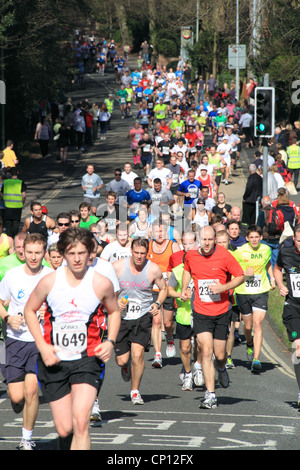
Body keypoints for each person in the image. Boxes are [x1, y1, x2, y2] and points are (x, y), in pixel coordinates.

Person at [24, 228, 121, 450]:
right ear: (62, 254)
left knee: (80, 422)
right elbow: (30, 310)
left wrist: (110, 341)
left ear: (90, 253)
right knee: (65, 428)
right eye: (71, 253)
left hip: (87, 359)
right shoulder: (49, 281)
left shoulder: (101, 283)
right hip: (54, 361)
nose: (76, 258)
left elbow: (114, 312)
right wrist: (42, 346)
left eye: (81, 252)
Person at [181, 226, 245, 409]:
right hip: (201, 311)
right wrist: (185, 288)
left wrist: (223, 288)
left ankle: (222, 368)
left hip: (222, 311)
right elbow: (187, 270)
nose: (207, 243)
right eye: (204, 239)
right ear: (199, 239)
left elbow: (240, 276)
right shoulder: (191, 255)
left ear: (215, 239)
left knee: (220, 354)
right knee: (206, 351)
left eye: (210, 239)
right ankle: (210, 395)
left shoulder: (224, 255)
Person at [0, 233, 53, 450]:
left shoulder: (52, 276)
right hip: (14, 340)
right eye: (29, 252)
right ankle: (17, 402)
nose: (32, 257)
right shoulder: (12, 276)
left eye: (37, 253)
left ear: (44, 253)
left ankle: (26, 439)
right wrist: (7, 317)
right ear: (23, 251)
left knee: (32, 390)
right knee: (16, 396)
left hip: (38, 341)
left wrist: (47, 309)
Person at [113, 237, 167, 404]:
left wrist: (158, 303)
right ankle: (125, 365)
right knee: (122, 359)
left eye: (142, 253)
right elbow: (107, 289)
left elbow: (164, 288)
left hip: (142, 316)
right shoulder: (118, 267)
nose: (139, 257)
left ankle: (135, 391)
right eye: (136, 253)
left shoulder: (153, 269)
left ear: (147, 253)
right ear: (131, 250)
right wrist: (115, 305)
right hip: (122, 317)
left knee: (138, 355)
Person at [233, 225, 275, 373]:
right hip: (243, 291)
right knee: (248, 326)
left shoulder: (266, 250)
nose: (254, 240)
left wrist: (272, 279)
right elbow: (232, 267)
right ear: (247, 238)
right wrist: (244, 272)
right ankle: (249, 343)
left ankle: (256, 359)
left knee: (258, 324)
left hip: (261, 290)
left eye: (257, 237)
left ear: (261, 238)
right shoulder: (240, 251)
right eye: (251, 237)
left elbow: (267, 262)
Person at [167, 230, 203, 390]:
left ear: (197, 244)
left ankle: (199, 367)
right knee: (185, 348)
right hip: (184, 314)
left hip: (202, 313)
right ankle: (188, 373)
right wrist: (179, 294)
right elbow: (168, 290)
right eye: (185, 243)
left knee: (201, 345)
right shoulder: (178, 270)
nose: (188, 246)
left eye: (191, 243)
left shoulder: (204, 267)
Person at [147, 220, 180, 367]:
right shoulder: (147, 246)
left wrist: (171, 279)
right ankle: (158, 355)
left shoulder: (173, 246)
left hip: (168, 288)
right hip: (153, 289)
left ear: (166, 232)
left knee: (167, 323)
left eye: (161, 231)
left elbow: (181, 267)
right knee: (156, 321)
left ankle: (170, 338)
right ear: (151, 232)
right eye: (156, 231)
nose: (159, 234)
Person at [274, 224, 300, 407]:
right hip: (293, 308)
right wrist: (280, 285)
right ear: (294, 239)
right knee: (299, 349)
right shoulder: (287, 252)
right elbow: (277, 269)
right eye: (299, 240)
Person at [2, 167, 26, 238]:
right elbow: (24, 195)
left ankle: (9, 239)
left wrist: (5, 199)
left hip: (7, 206)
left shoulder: (5, 182)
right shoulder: (20, 182)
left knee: (8, 223)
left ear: (9, 173)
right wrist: (22, 202)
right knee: (16, 222)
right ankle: (14, 237)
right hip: (18, 206)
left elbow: (1, 193)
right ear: (17, 172)